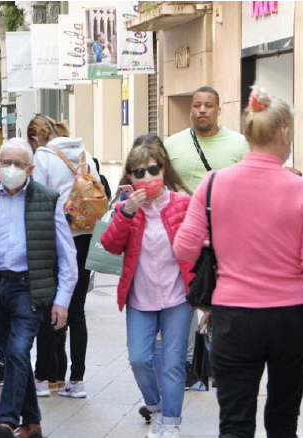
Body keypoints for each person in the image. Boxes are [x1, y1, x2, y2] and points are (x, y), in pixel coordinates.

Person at [173, 88, 303, 437]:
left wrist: (220, 243)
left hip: (233, 318)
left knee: (235, 422)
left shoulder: (212, 185)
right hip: (291, 319)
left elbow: (183, 248)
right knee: (283, 421)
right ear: (284, 131)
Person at [0, 138, 78, 438]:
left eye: (18, 164)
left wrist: (62, 301)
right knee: (16, 354)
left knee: (16, 350)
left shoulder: (47, 199)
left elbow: (67, 256)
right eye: (6, 162)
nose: (11, 169)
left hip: (30, 289)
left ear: (30, 168)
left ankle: (6, 421)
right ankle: (32, 422)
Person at [100, 139, 195, 438]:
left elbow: (201, 242)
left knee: (172, 363)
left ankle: (171, 421)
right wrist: (126, 212)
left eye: (154, 169)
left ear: (164, 170)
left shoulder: (183, 203)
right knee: (139, 359)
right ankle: (155, 407)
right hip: (141, 298)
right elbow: (111, 246)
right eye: (139, 172)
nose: (147, 177)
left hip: (177, 297)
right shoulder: (126, 209)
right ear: (130, 176)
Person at [164, 86, 249, 385]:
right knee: (184, 297)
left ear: (218, 109)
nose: (202, 110)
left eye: (208, 105)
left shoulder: (239, 144)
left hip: (228, 236)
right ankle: (186, 363)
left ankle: (224, 358)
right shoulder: (171, 144)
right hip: (183, 234)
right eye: (197, 105)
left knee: (226, 299)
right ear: (191, 108)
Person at [29, 115, 101, 399]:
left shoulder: (45, 158)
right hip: (84, 236)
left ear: (35, 140)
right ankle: (76, 379)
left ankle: (45, 378)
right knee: (77, 309)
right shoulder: (85, 155)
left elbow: (36, 199)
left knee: (50, 306)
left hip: (55, 238)